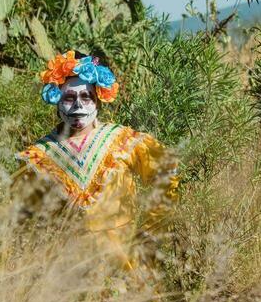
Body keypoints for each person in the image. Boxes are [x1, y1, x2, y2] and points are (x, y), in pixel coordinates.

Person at [13, 50, 178, 270]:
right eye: (69, 98)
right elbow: (25, 221)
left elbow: (166, 174)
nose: (78, 107)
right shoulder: (38, 157)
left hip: (126, 266)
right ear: (56, 100)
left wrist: (149, 233)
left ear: (98, 100)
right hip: (67, 274)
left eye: (86, 97)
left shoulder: (124, 141)